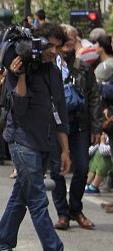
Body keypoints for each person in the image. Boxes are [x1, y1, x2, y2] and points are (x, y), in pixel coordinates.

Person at [0, 23, 81, 251]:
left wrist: (64, 150)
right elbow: (18, 110)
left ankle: (2, 245)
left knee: (20, 197)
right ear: (35, 43)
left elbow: (59, 111)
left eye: (57, 46)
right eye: (49, 45)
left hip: (44, 142)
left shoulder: (52, 71)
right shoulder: (18, 68)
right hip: (22, 141)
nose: (53, 51)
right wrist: (20, 76)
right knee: (37, 199)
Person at [50, 24, 100, 230]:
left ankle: (76, 210)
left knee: (81, 168)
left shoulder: (84, 67)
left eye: (72, 39)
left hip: (80, 125)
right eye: (65, 40)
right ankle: (62, 213)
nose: (69, 43)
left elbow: (94, 97)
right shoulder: (50, 66)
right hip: (56, 125)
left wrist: (96, 128)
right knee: (57, 170)